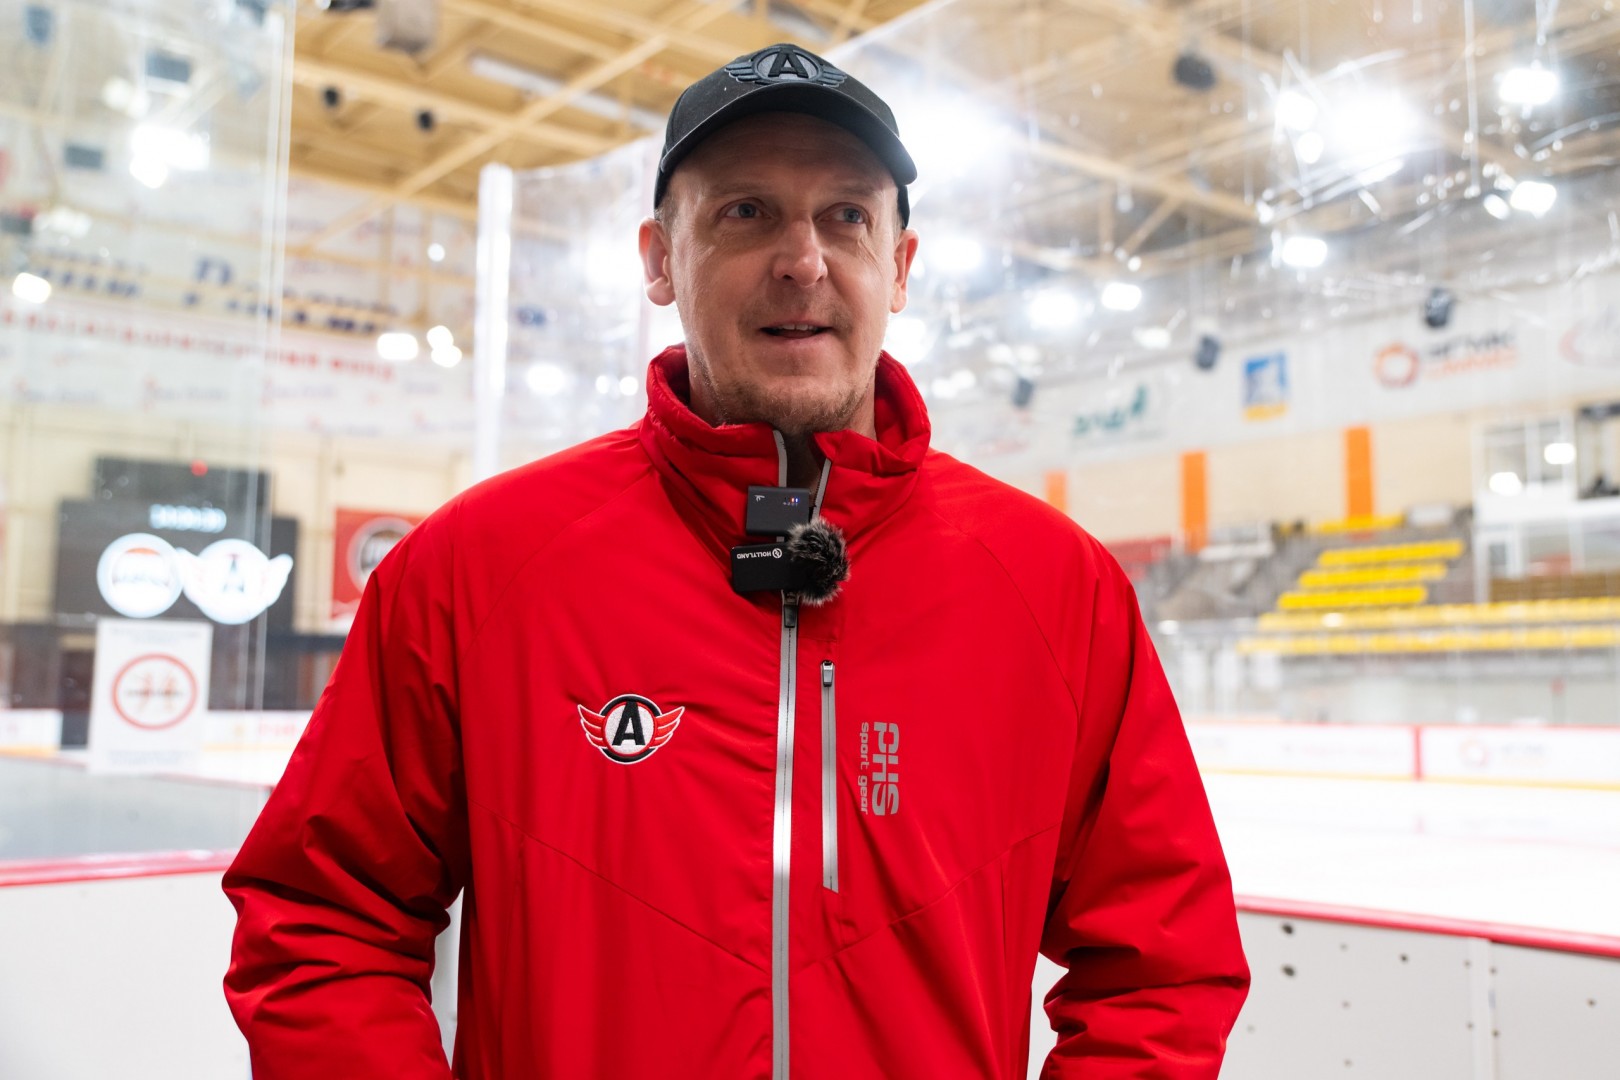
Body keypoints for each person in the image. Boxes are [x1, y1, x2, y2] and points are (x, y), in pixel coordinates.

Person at [223, 42, 1250, 1079]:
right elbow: (322, 924)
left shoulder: (1057, 590)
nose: (803, 260)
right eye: (746, 212)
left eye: (846, 216)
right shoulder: (474, 570)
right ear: (660, 260)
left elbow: (1161, 968)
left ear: (899, 267)